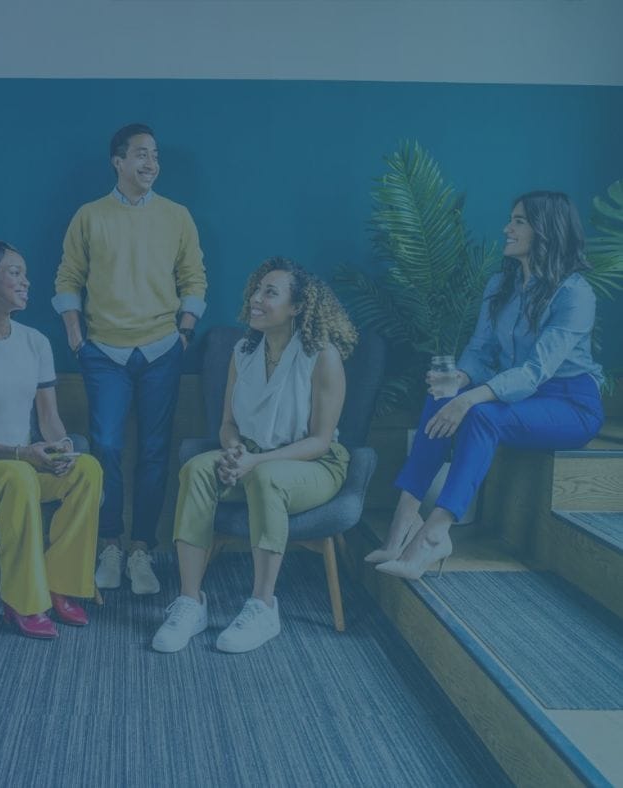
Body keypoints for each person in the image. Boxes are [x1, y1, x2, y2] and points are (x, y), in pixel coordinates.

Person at [368, 191, 605, 579]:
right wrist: (459, 379)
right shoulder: (501, 284)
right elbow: (480, 350)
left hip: (570, 404)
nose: (506, 229)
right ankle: (403, 522)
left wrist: (471, 397)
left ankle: (436, 534)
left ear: (546, 230)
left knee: (481, 416)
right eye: (510, 219)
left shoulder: (576, 294)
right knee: (442, 395)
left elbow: (536, 370)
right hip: (516, 395)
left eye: (519, 221)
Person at [152, 258, 357, 653]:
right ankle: (191, 603)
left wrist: (253, 463)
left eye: (270, 293)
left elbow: (320, 439)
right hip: (250, 457)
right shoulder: (243, 350)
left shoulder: (322, 356)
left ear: (297, 308)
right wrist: (232, 452)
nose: (256, 299)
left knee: (267, 478)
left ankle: (263, 607)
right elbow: (227, 423)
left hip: (313, 464)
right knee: (197, 469)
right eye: (257, 289)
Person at [54, 122, 208, 595]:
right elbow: (67, 279)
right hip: (103, 352)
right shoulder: (89, 216)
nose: (151, 164)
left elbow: (194, 278)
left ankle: (142, 549)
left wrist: (184, 331)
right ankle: (110, 545)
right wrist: (77, 336)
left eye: (155, 155)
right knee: (106, 448)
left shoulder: (177, 215)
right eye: (141, 154)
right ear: (118, 161)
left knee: (156, 453)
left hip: (162, 349)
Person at [0, 240, 103, 639]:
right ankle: (23, 601)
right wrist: (20, 454)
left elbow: (48, 418)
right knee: (18, 476)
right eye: (14, 272)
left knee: (87, 469)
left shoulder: (35, 342)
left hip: (23, 463)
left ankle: (59, 585)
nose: (26, 282)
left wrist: (62, 447)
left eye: (24, 273)